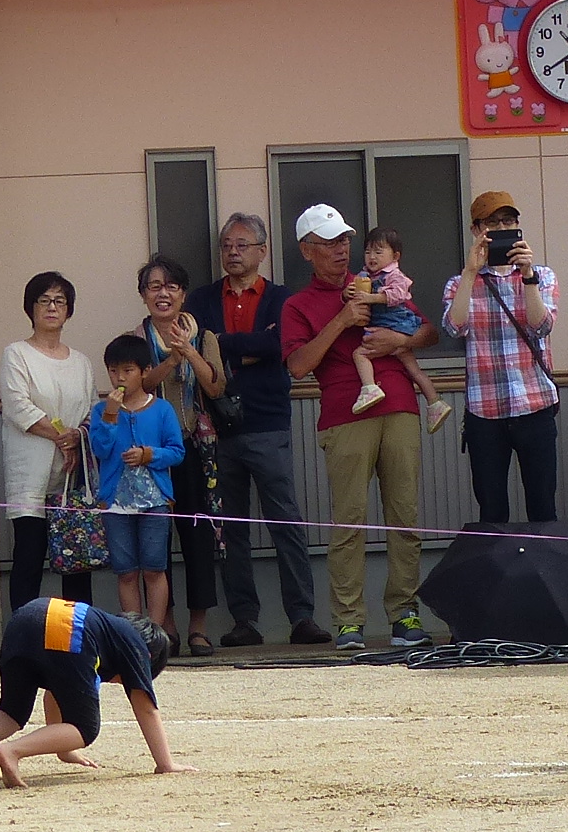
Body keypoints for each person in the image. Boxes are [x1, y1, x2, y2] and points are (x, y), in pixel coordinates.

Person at [280, 205, 437, 652]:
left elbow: (430, 331)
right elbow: (298, 366)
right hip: (344, 411)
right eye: (329, 242)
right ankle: (349, 621)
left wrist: (402, 340)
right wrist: (343, 320)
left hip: (400, 402)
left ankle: (404, 614)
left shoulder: (378, 280)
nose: (341, 249)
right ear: (306, 250)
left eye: (344, 240)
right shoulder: (297, 305)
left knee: (404, 516)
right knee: (348, 521)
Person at [186, 213, 328, 648]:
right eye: (227, 245)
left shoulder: (283, 299)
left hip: (268, 422)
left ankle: (302, 616)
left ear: (262, 251)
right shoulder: (201, 298)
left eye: (242, 244)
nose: (233, 252)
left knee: (285, 520)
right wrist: (243, 347)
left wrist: (223, 346)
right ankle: (244, 619)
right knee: (232, 528)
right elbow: (198, 347)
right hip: (217, 428)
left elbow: (276, 345)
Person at [0, 597, 190, 789]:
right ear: (147, 659)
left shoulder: (106, 631)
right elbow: (146, 709)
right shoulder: (136, 645)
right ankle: (11, 751)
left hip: (23, 620)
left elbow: (55, 695)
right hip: (68, 629)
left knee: (11, 711)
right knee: (86, 727)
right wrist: (166, 764)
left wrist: (64, 751)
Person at [444, 191, 561, 525]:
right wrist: (471, 272)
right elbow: (454, 327)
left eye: (508, 221)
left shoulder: (542, 275)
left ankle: (542, 561)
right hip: (485, 411)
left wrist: (528, 275)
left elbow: (542, 326)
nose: (501, 229)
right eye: (492, 223)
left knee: (543, 508)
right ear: (476, 230)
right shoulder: (459, 283)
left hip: (534, 405)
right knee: (492, 511)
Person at [138, 255, 227, 655]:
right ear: (144, 295)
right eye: (154, 286)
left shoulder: (204, 336)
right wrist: (170, 360)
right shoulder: (135, 339)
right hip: (149, 453)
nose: (163, 294)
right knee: (154, 540)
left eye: (171, 286)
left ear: (183, 294)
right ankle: (166, 627)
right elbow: (137, 386)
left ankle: (198, 627)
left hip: (194, 447)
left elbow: (216, 387)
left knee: (198, 536)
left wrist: (188, 352)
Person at [0, 270, 97, 611]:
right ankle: (25, 632)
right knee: (28, 555)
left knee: (77, 562)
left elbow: (92, 411)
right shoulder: (16, 354)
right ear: (31, 307)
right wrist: (61, 438)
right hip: (32, 471)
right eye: (44, 300)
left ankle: (79, 634)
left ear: (69, 310)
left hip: (73, 473)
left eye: (60, 301)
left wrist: (77, 437)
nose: (52, 307)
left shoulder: (81, 362)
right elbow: (17, 406)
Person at [87, 335, 185, 626]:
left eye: (128, 370)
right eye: (113, 370)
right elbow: (100, 449)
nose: (120, 378)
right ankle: (133, 633)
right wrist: (110, 415)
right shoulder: (100, 410)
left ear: (145, 371)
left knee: (154, 569)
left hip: (155, 500)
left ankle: (155, 633)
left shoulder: (162, 409)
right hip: (115, 503)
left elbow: (177, 451)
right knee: (126, 571)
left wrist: (148, 454)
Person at [350, 227, 449, 429]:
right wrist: (347, 293)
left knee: (360, 354)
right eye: (368, 252)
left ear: (395, 256)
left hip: (395, 322)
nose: (372, 257)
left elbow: (398, 295)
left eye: (378, 252)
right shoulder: (366, 274)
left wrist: (371, 298)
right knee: (413, 369)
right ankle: (435, 402)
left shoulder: (395, 275)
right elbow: (354, 291)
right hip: (392, 326)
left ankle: (369, 387)